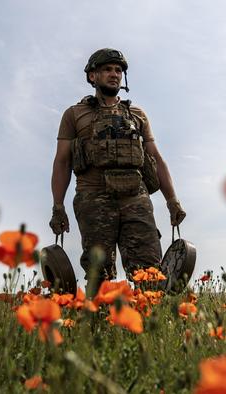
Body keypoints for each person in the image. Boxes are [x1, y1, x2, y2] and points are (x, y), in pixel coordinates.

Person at [50, 48, 186, 297]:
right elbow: (61, 162)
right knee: (98, 274)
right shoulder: (74, 115)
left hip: (136, 199)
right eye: (107, 70)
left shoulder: (137, 115)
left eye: (118, 70)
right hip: (93, 200)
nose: (114, 75)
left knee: (149, 272)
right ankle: (100, 329)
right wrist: (58, 206)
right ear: (92, 76)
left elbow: (155, 158)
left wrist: (172, 201)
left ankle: (147, 328)